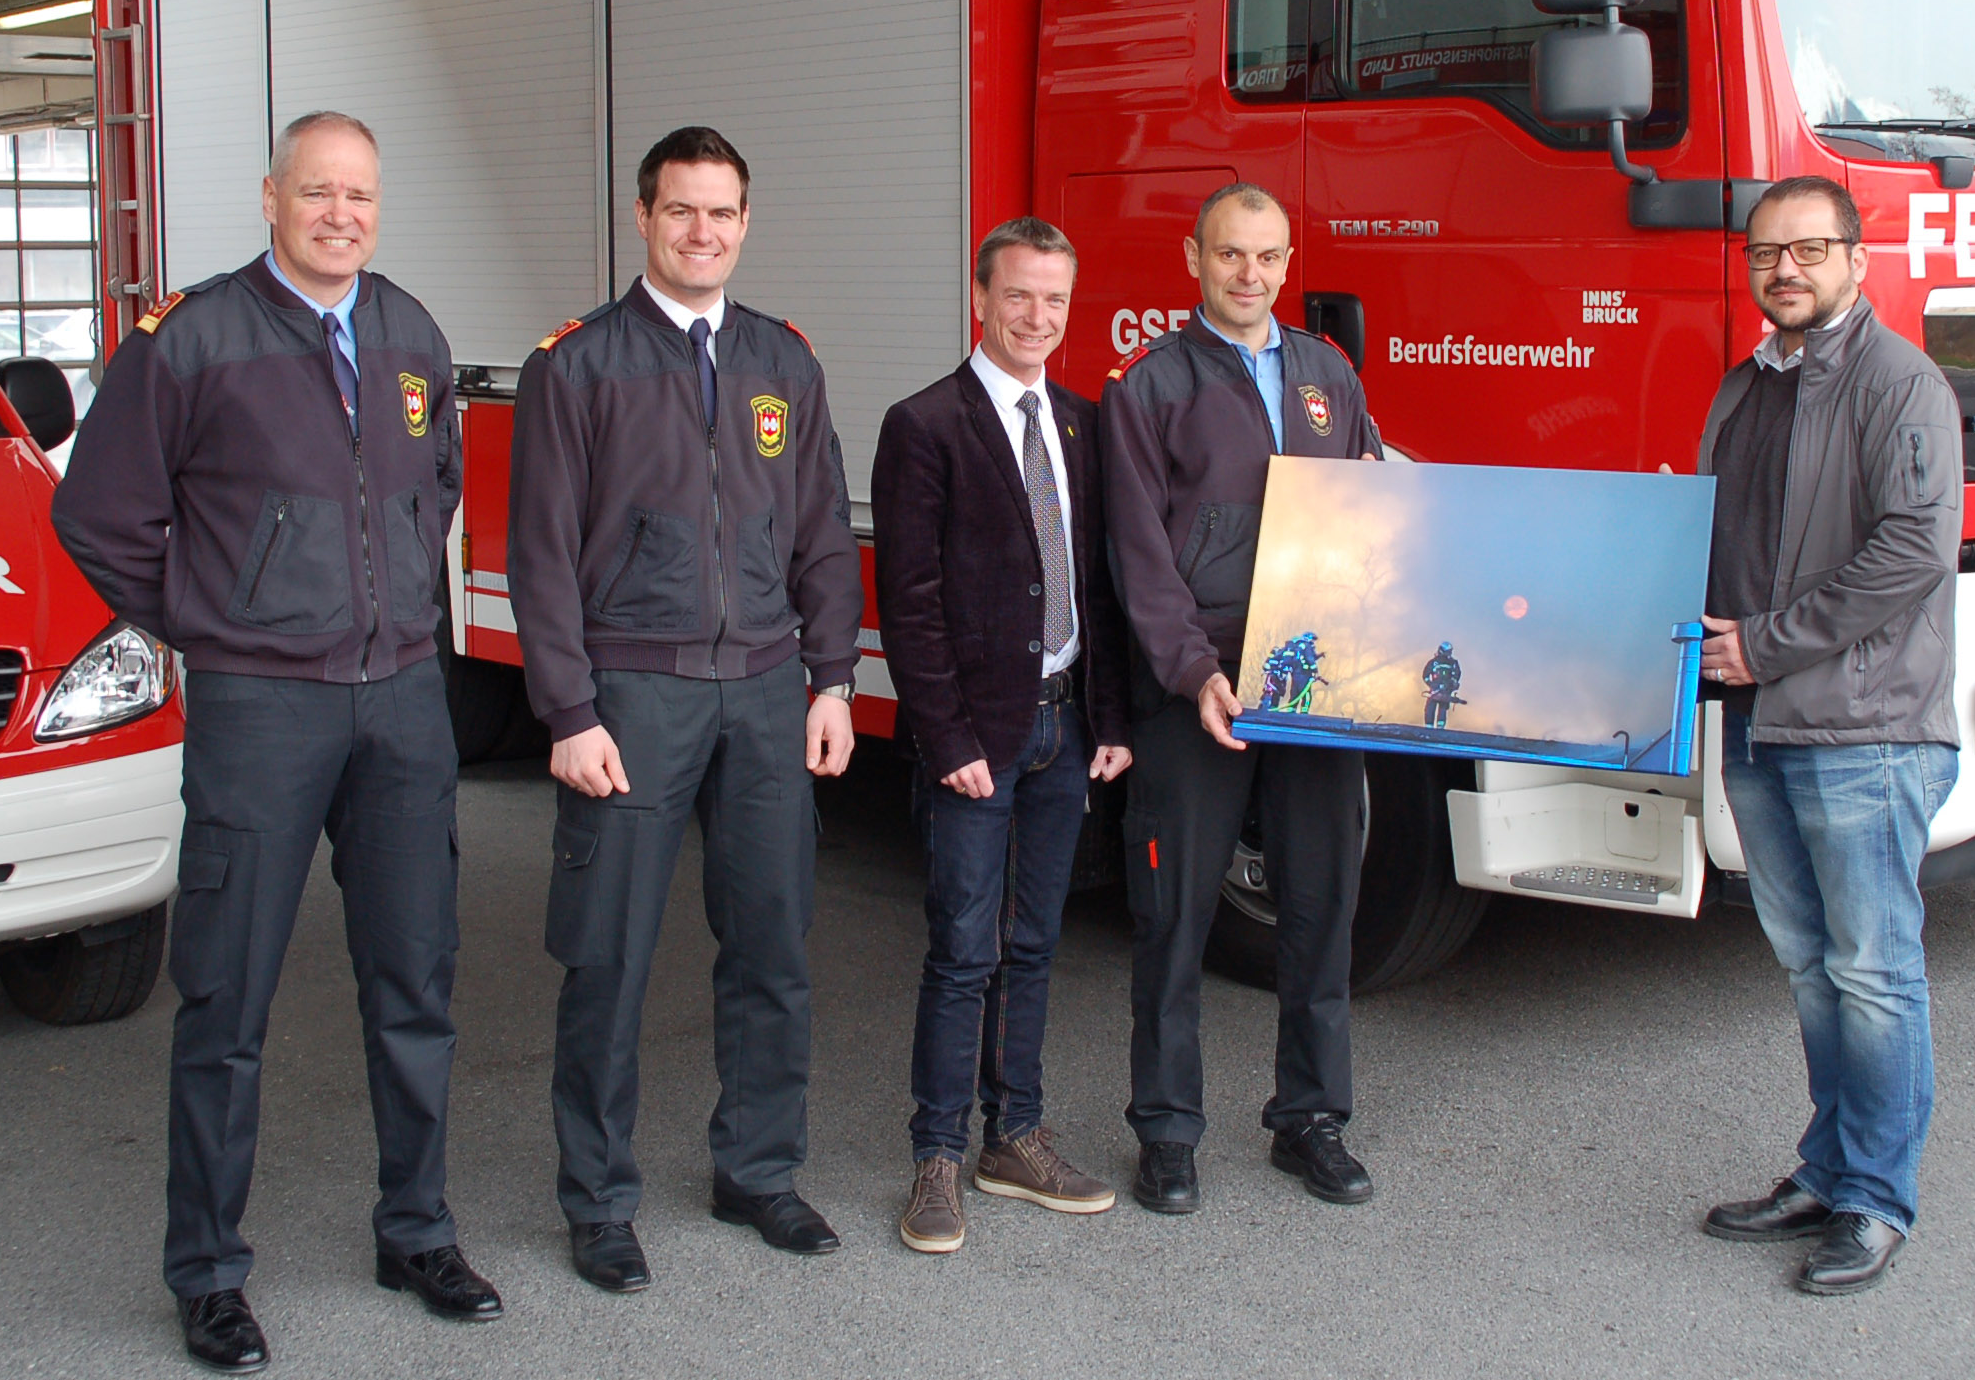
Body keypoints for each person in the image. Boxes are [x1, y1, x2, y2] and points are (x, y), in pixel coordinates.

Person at [53, 111, 498, 1374]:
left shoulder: (410, 330)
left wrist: (400, 606)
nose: (339, 214)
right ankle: (206, 1272)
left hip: (404, 702)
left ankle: (415, 1231)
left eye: (359, 194)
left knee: (414, 982)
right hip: (263, 708)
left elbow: (435, 491)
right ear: (269, 198)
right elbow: (97, 513)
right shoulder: (191, 339)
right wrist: (215, 620)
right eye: (317, 193)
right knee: (227, 999)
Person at [505, 124, 864, 1295]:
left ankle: (756, 1171)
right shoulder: (579, 366)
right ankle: (598, 1200)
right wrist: (567, 710)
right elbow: (540, 555)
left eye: (722, 214)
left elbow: (819, 535)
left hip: (766, 694)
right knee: (606, 956)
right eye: (681, 212)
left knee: (771, 946)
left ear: (745, 223)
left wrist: (831, 681)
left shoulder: (784, 362)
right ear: (643, 219)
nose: (702, 233)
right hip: (632, 694)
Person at [1694, 174, 1962, 1297]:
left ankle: (1876, 1201)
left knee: (1873, 971)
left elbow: (1912, 551)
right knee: (1811, 968)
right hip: (1757, 721)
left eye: (1807, 250)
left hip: (1864, 727)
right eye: (1765, 254)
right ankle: (1826, 1167)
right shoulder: (1749, 382)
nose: (1784, 270)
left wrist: (1766, 643)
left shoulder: (1900, 384)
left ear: (1856, 258)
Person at [1101, 181, 1382, 1216]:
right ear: (1193, 258)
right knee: (1172, 917)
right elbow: (1137, 555)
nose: (1249, 275)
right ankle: (1168, 1131)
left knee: (1320, 907)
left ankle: (1311, 1119)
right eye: (1229, 255)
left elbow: (1367, 509)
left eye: (1267, 257)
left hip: (1315, 686)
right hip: (1197, 692)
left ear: (1286, 258)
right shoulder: (1151, 385)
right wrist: (1192, 672)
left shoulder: (1325, 371)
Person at [871, 217, 1134, 1256]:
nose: (1038, 317)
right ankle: (936, 1157)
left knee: (1034, 945)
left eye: (1055, 300)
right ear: (981, 297)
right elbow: (910, 599)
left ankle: (1013, 1137)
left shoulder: (1079, 422)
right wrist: (944, 738)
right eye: (1019, 296)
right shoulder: (925, 424)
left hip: (1064, 728)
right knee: (962, 951)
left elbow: (1097, 583)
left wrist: (1108, 719)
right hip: (975, 739)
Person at [1421, 643, 1461, 729]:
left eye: (1450, 651)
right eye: (1448, 651)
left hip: (1446, 690)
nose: (1449, 653)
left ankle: (1440, 728)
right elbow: (1425, 675)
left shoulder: (1453, 663)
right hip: (1435, 691)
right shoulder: (1433, 662)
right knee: (1430, 708)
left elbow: (1457, 675)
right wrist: (1432, 685)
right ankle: (1429, 727)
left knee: (1443, 709)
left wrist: (1453, 683)